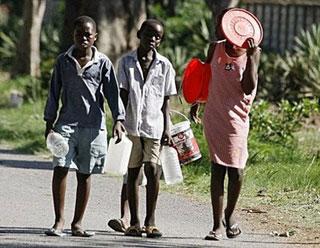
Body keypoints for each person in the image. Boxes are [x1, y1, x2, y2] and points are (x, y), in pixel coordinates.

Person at [43, 15, 125, 237]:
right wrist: (49, 123)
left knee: (85, 173)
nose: (84, 38)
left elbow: (112, 95)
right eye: (79, 33)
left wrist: (118, 119)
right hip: (66, 124)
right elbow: (53, 92)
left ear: (95, 37)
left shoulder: (103, 63)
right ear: (74, 35)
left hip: (93, 126)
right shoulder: (63, 61)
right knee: (60, 168)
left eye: (88, 34)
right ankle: (59, 221)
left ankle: (77, 223)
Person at [190, 8, 261, 241]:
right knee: (218, 169)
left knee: (237, 171)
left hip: (238, 118)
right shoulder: (215, 48)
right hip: (215, 115)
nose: (220, 28)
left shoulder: (252, 53)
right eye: (220, 24)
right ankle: (216, 225)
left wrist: (251, 57)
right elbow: (206, 76)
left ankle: (229, 214)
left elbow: (249, 87)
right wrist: (197, 101)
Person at [114, 19, 177, 238]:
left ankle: (151, 222)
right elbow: (121, 94)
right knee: (132, 172)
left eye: (157, 36)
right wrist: (118, 120)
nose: (152, 39)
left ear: (160, 41)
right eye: (148, 34)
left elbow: (167, 101)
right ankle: (134, 222)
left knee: (153, 169)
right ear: (139, 34)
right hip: (131, 126)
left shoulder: (165, 65)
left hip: (155, 126)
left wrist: (168, 128)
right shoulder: (126, 62)